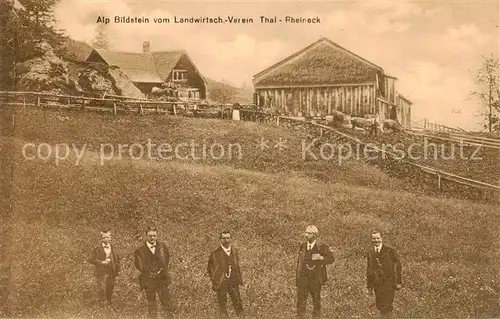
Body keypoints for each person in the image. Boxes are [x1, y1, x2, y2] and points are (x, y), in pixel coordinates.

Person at [134, 226, 173, 318]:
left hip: (162, 279)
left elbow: (167, 259)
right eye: (150, 236)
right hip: (148, 280)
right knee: (151, 305)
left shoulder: (163, 247)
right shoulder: (139, 251)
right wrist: (149, 271)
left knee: (167, 302)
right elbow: (139, 265)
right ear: (146, 236)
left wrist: (162, 270)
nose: (152, 238)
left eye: (154, 236)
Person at [295, 225, 334, 318]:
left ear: (315, 235)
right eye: (306, 232)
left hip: (315, 279)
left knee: (316, 302)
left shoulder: (322, 247)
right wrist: (298, 277)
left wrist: (321, 258)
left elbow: (331, 259)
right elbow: (299, 262)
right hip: (303, 279)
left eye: (309, 233)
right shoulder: (303, 246)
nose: (306, 235)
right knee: (300, 302)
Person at [207, 230, 244, 318]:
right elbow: (210, 269)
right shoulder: (215, 254)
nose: (226, 240)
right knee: (222, 304)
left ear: (231, 239)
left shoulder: (234, 251)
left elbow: (237, 265)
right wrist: (216, 279)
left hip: (233, 281)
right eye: (224, 238)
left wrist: (238, 277)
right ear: (220, 239)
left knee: (238, 302)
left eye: (228, 238)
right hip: (221, 282)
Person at [366, 231, 402, 319]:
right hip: (377, 285)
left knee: (387, 306)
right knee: (380, 306)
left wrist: (398, 282)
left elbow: (398, 266)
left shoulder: (390, 250)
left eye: (378, 238)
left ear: (381, 239)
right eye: (374, 238)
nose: (376, 240)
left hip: (389, 283)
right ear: (371, 240)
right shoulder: (370, 253)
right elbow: (369, 270)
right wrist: (369, 286)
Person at [88, 230, 121, 306]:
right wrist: (102, 262)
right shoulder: (96, 248)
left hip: (111, 271)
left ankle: (109, 304)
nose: (106, 239)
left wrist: (118, 269)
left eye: (107, 237)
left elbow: (117, 259)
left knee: (110, 287)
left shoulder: (113, 248)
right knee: (101, 289)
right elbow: (91, 259)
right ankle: (101, 305)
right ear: (101, 239)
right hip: (101, 271)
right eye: (103, 237)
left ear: (110, 238)